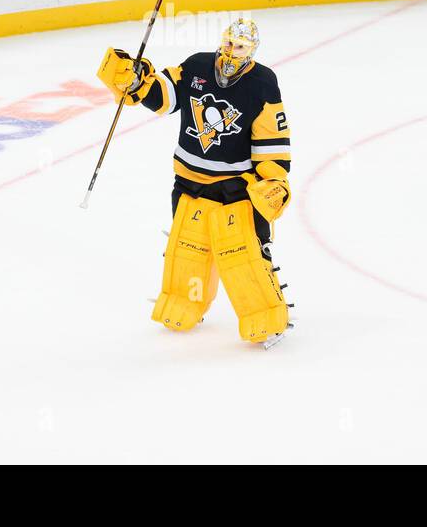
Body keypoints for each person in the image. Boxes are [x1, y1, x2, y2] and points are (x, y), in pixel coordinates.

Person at [94, 18, 293, 347]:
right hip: (188, 182)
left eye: (240, 47)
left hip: (235, 187)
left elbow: (271, 138)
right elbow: (164, 95)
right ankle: (186, 303)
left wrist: (273, 180)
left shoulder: (263, 82)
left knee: (243, 253)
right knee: (189, 249)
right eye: (229, 43)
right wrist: (137, 80)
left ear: (252, 51)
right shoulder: (197, 65)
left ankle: (266, 315)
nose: (231, 51)